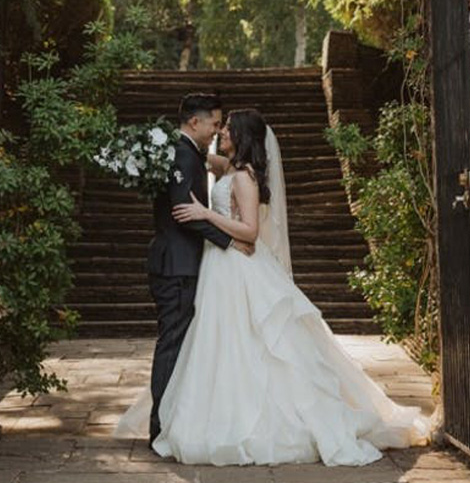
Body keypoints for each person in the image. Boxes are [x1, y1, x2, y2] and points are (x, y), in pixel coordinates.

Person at [116, 108, 431, 466]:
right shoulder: (228, 169)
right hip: (219, 266)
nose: (222, 132)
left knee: (250, 342)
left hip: (237, 263)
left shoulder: (246, 177)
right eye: (219, 127)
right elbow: (196, 154)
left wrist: (206, 214)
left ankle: (260, 422)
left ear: (244, 137)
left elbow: (250, 232)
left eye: (229, 129)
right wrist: (153, 148)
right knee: (219, 342)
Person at [144, 92, 253, 444]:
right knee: (172, 345)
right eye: (214, 123)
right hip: (176, 264)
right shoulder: (182, 155)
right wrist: (228, 241)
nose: (217, 130)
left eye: (222, 126)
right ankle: (159, 427)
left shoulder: (190, 154)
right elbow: (183, 214)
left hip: (182, 261)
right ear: (195, 121)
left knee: (179, 344)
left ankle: (170, 420)